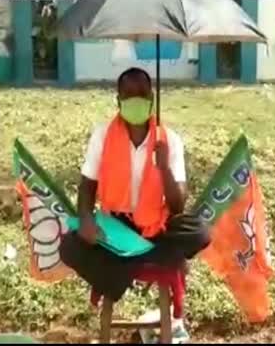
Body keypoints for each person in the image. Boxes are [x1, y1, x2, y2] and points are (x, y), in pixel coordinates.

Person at [59, 67, 210, 305]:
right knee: (69, 246)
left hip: (155, 227)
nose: (135, 100)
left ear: (151, 99)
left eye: (141, 93)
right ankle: (145, 261)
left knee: (199, 231)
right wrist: (86, 219)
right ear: (118, 101)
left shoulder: (169, 139)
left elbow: (178, 206)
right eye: (128, 95)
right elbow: (87, 186)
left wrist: (164, 169)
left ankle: (120, 270)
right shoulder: (102, 136)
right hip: (116, 227)